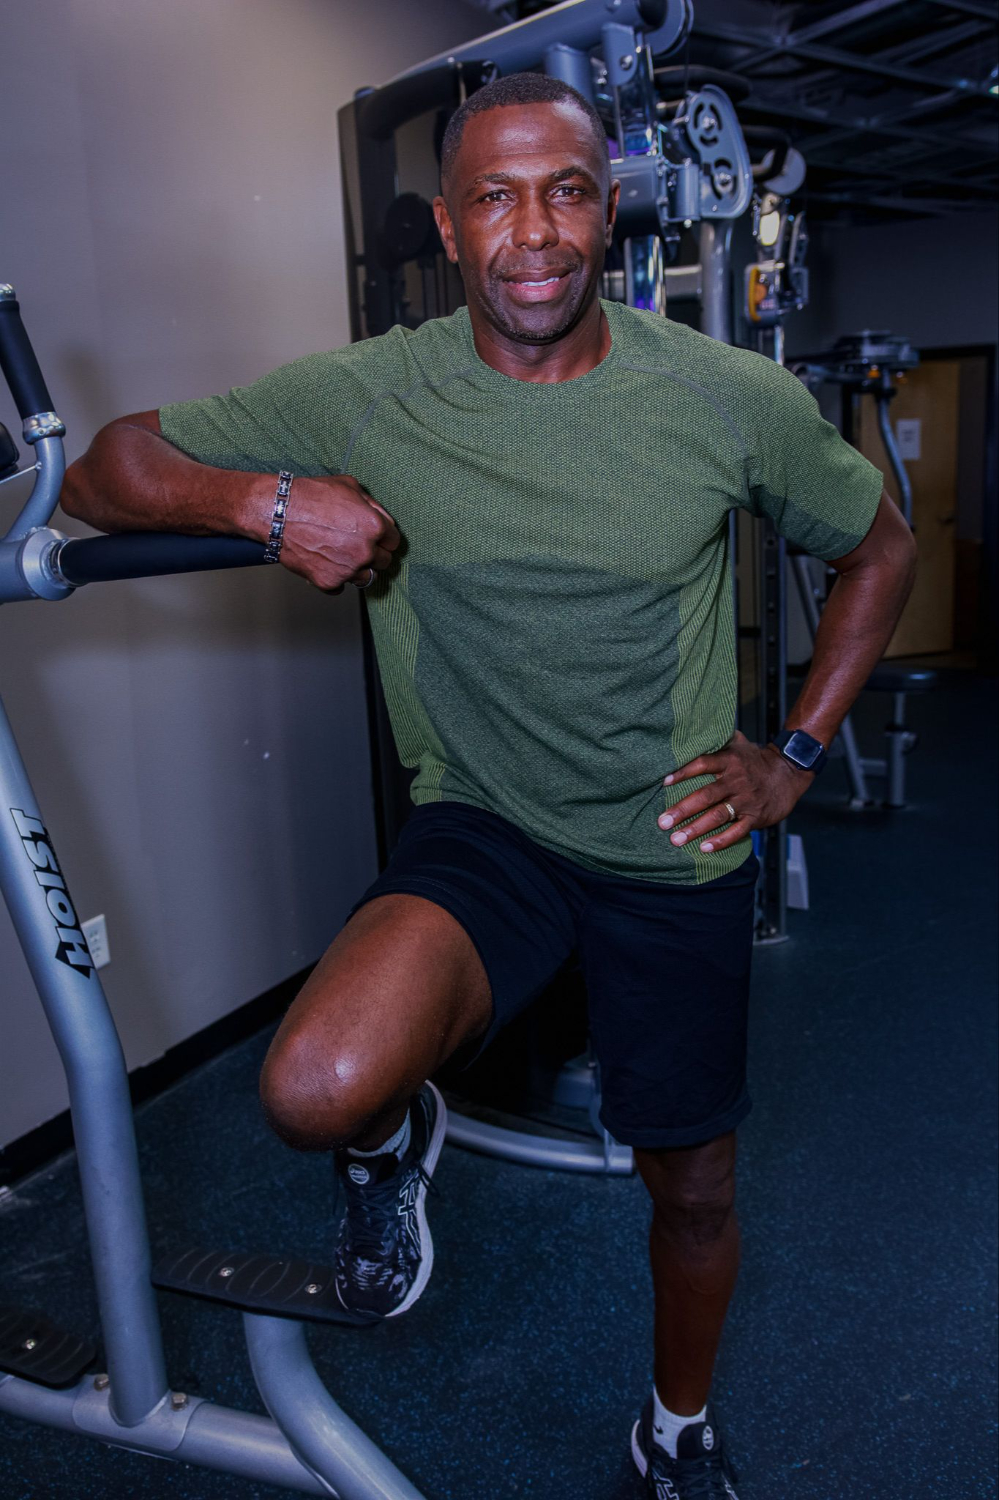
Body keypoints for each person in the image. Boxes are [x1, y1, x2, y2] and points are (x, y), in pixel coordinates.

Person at [62, 72, 916, 1500]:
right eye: (497, 198)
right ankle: (403, 1132)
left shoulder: (725, 396)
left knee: (694, 1185)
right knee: (316, 1088)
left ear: (608, 210)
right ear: (451, 227)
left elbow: (880, 546)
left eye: (567, 192)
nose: (535, 233)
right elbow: (107, 470)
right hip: (487, 822)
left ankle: (675, 1429)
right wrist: (264, 504)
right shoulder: (370, 390)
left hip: (672, 838)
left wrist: (797, 755)